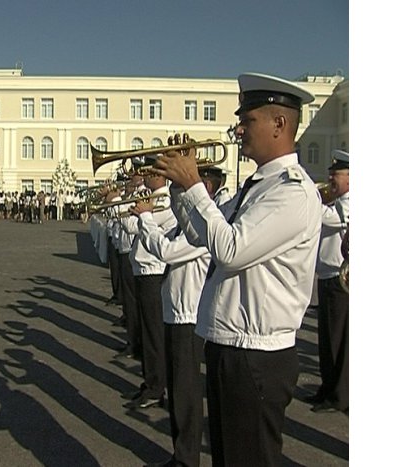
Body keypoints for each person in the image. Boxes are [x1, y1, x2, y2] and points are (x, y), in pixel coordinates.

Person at [151, 72, 322, 466]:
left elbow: (230, 250)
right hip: (232, 345)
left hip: (257, 356)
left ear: (279, 125)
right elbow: (200, 235)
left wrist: (195, 184)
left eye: (248, 120)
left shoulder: (292, 191)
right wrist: (180, 191)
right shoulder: (257, 185)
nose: (239, 129)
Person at [130, 168, 220, 467]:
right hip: (176, 313)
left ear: (204, 186)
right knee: (180, 393)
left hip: (188, 317)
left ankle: (186, 458)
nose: (176, 190)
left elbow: (166, 252)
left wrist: (145, 217)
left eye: (182, 185)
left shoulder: (203, 229)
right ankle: (181, 454)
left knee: (186, 394)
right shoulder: (189, 224)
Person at [120, 163, 177, 410]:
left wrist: (124, 204)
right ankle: (150, 381)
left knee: (154, 334)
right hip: (143, 270)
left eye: (151, 174)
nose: (145, 177)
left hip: (154, 272)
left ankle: (156, 387)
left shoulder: (163, 202)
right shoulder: (151, 199)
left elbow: (132, 226)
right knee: (147, 331)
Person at [305, 149, 349, 414]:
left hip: (339, 279)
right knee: (326, 341)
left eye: (336, 175)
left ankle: (339, 395)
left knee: (337, 341)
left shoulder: (350, 202)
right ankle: (327, 387)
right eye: (331, 175)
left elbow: (330, 220)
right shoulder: (337, 201)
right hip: (327, 276)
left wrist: (310, 201)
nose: (331, 179)